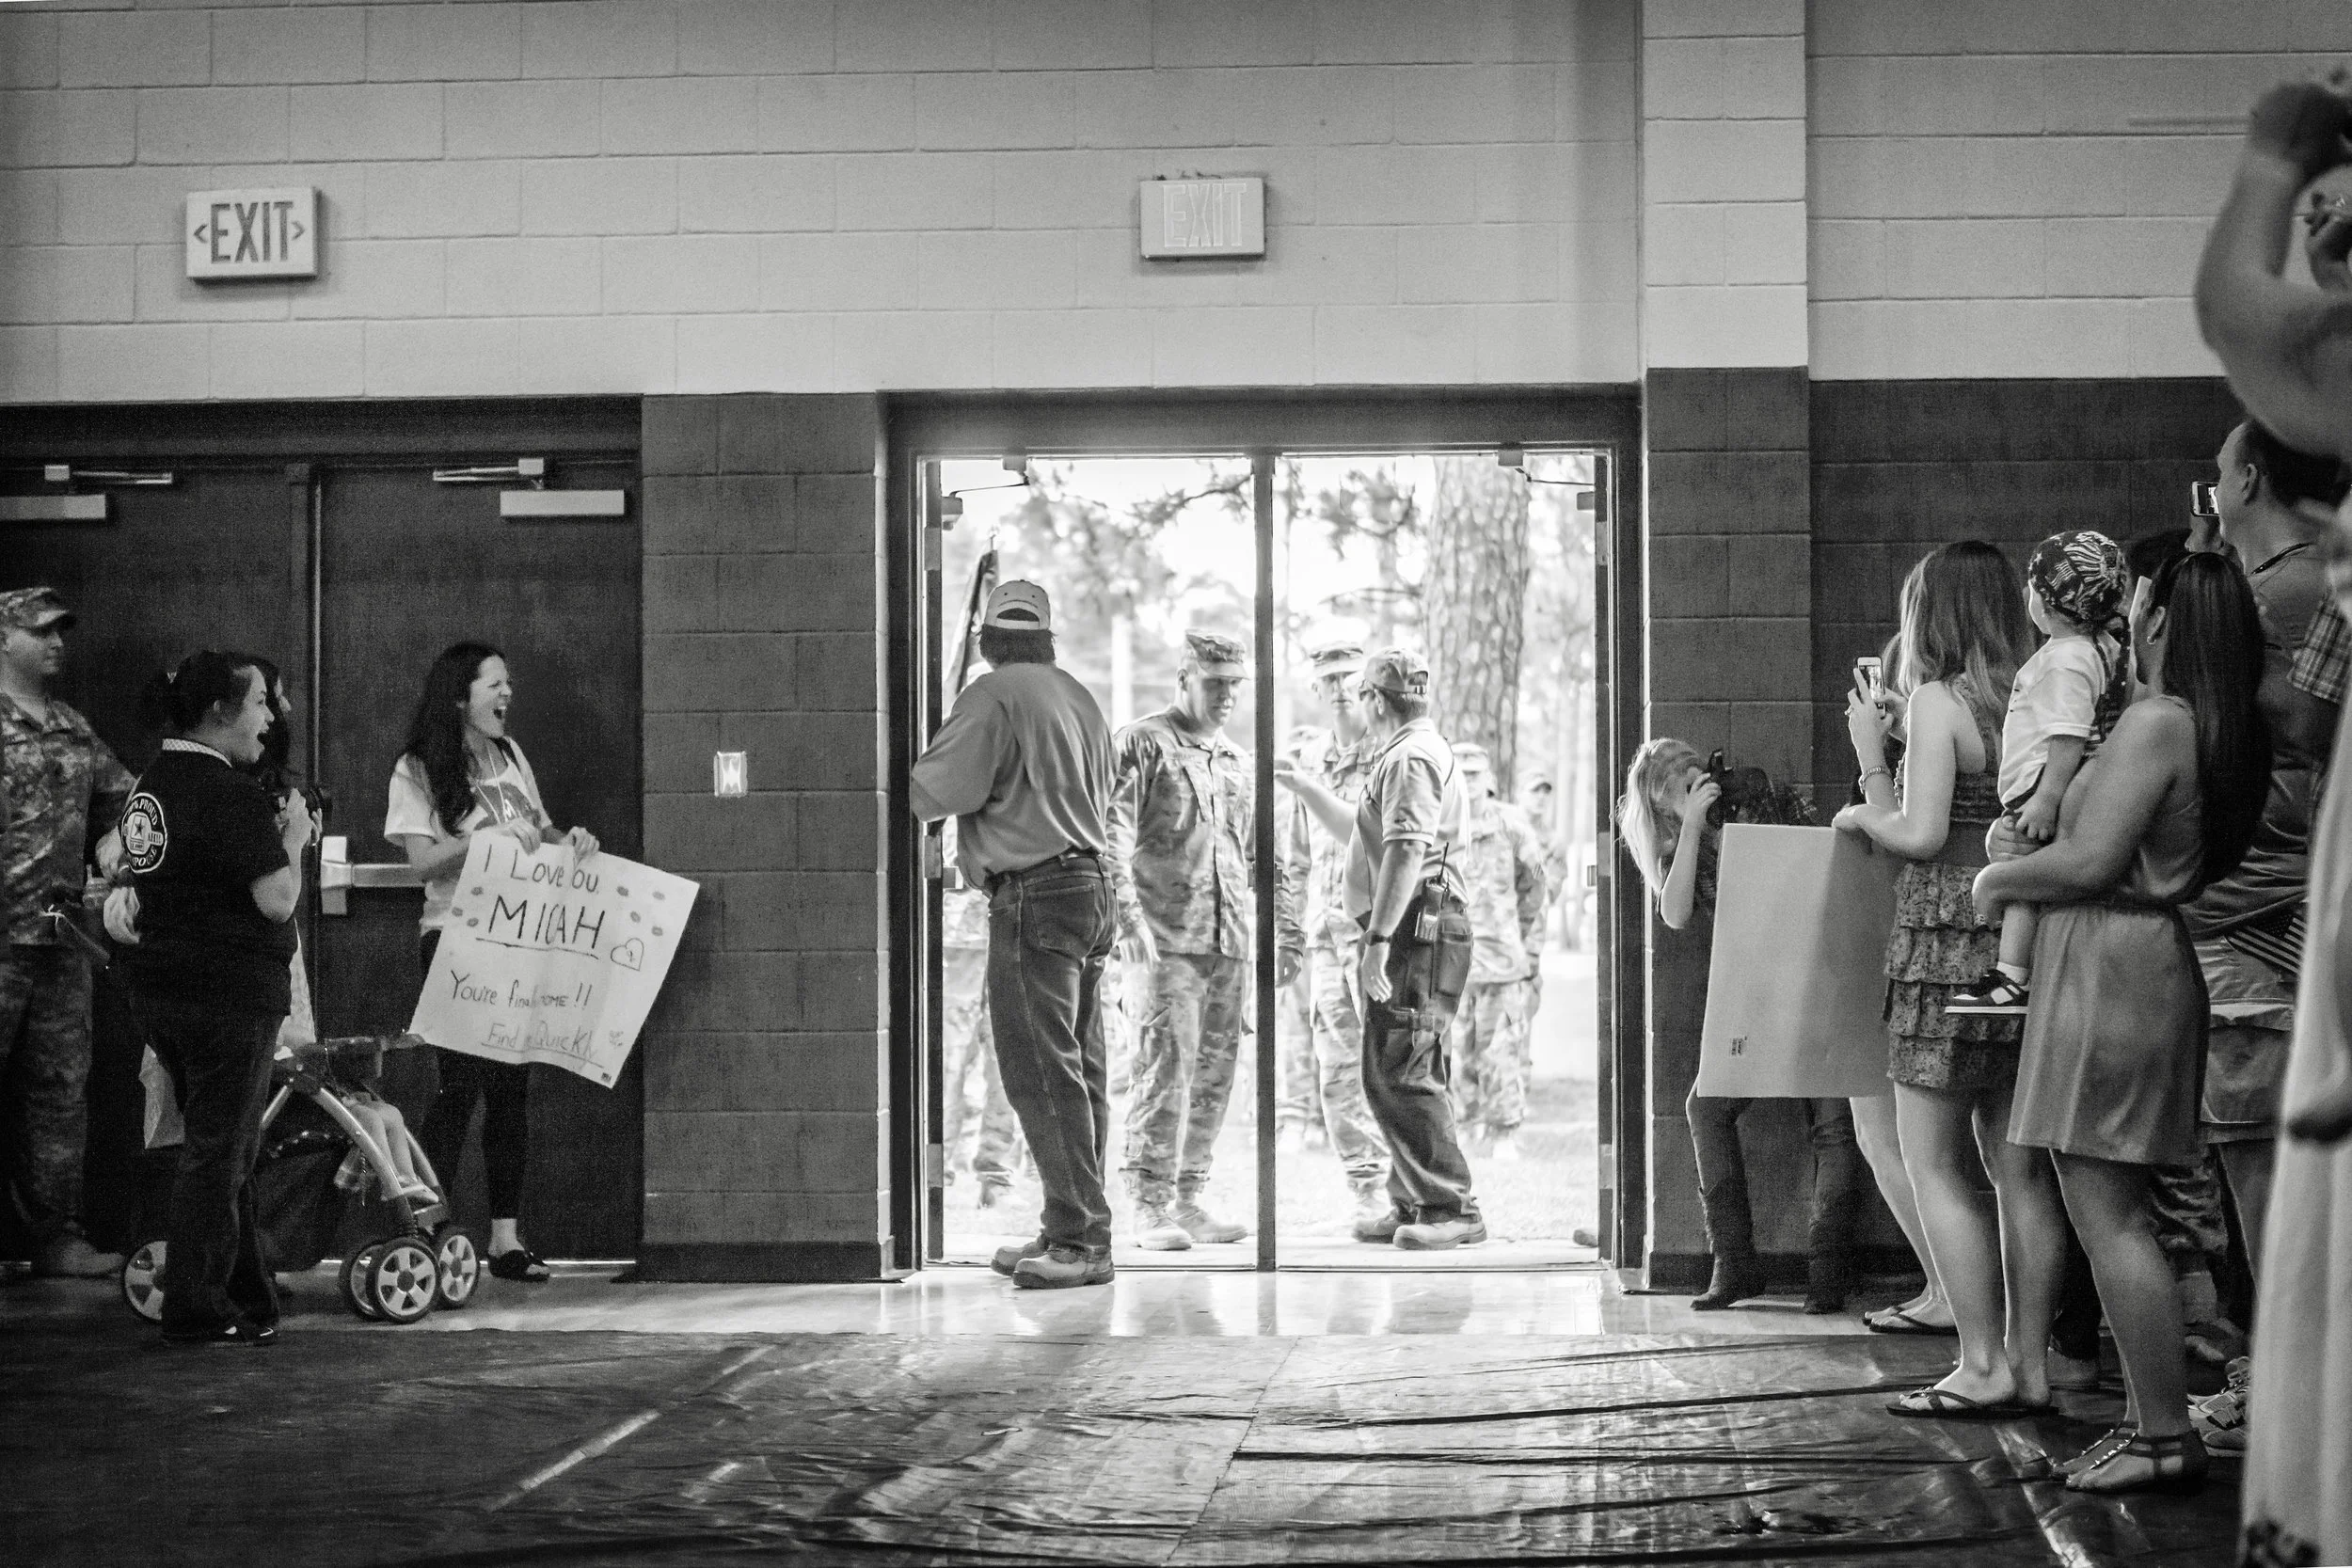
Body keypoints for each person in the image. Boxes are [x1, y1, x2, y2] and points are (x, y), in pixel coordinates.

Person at [1978, 550, 2270, 1494]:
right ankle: (2155, 1424)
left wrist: (1997, 876)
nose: (2126, 616)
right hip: (2123, 959)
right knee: (2106, 1206)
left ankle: (2158, 1430)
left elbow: (2089, 859)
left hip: (2115, 961)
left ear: (2161, 619)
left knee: (2108, 1213)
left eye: (2139, 603)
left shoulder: (2156, 720)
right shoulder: (2196, 720)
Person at [2194, 77, 2352, 1561]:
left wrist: (2278, 154)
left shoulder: (2284, 594)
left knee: (2278, 1160)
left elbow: (2243, 314)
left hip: (2273, 899)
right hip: (2284, 890)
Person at [1834, 541, 2067, 1418]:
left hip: (1945, 948)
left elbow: (1921, 831)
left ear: (1930, 611)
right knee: (2020, 1168)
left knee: (1932, 1159)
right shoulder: (2040, 690)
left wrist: (1867, 769)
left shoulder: (1938, 698)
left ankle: (1979, 1364)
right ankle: (2033, 1365)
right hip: (2020, 939)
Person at [910, 581, 1119, 1290]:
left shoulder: (991, 695)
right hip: (1091, 889)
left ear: (988, 639)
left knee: (1038, 1069)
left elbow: (935, 792)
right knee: (1080, 1067)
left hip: (1034, 893)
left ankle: (1081, 1241)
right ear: (1047, 637)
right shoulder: (1079, 696)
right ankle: (1074, 1222)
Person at [1618, 738, 1863, 1313]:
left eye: (1694, 765)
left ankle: (1829, 1273)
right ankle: (1734, 1264)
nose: (1694, 776)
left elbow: (1822, 849)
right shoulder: (1680, 845)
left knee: (1831, 1119)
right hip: (1752, 990)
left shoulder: (1758, 793)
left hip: (1821, 963)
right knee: (1707, 1106)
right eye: (1678, 779)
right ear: (1659, 805)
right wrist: (1698, 826)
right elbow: (1675, 913)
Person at [116, 650, 314, 1344]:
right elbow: (276, 898)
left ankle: (249, 1295)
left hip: (162, 990)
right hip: (226, 997)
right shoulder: (223, 789)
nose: (270, 717)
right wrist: (292, 839)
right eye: (262, 701)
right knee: (218, 1154)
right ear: (221, 712)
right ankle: (194, 1306)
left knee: (225, 1145)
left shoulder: (154, 781)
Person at [387, 641, 598, 1284]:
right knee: (459, 1086)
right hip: (455, 936)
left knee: (512, 1089)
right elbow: (422, 863)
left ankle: (505, 1237)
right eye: (495, 684)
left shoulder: (510, 756)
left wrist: (574, 841)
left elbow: (541, 831)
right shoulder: (418, 766)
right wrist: (483, 841)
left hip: (517, 939)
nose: (507, 695)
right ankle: (423, 1227)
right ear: (460, 694)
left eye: (508, 684)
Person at [1106, 629, 1301, 1250]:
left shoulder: (1239, 762)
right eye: (1216, 685)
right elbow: (1110, 836)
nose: (1227, 698)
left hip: (1229, 943)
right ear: (1184, 679)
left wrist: (1286, 935)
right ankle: (1149, 1202)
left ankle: (1188, 1195)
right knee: (1164, 1071)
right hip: (1163, 942)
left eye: (1235, 687)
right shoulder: (1142, 744)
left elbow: (1267, 857)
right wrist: (1128, 919)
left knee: (1215, 1077)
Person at [1284, 648, 1481, 1249]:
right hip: (1413, 925)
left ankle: (1451, 1208)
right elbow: (1368, 834)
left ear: (1374, 699)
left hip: (1417, 927)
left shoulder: (1411, 757)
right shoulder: (1408, 753)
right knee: (1397, 1065)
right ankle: (1415, 1200)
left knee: (1402, 1068)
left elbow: (1404, 850)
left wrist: (1375, 940)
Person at [0, 587, 135, 1279]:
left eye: (62, 631)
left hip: (61, 940)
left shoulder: (74, 728)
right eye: (41, 631)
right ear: (4, 639)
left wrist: (116, 849)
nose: (57, 642)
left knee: (59, 1093)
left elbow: (128, 802)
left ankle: (56, 1237)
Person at [1948, 531, 2131, 1018]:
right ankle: (2012, 976)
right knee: (2025, 877)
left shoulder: (2065, 659)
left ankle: (2011, 977)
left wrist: (2046, 800)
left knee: (2022, 877)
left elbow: (2068, 736)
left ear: (2049, 604)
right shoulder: (2098, 647)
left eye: (2033, 588)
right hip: (2055, 785)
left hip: (2042, 786)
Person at [1279, 641, 1392, 1229]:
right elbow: (1292, 859)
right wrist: (1290, 936)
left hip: (1383, 935)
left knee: (1394, 1060)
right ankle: (1367, 1186)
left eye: (1353, 676)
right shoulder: (1310, 758)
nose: (1343, 686)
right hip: (1327, 937)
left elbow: (1368, 832)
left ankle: (1412, 1184)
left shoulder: (1389, 752)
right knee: (1339, 1065)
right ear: (1319, 691)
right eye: (1332, 678)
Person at [1446, 742, 1548, 1163]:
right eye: (1460, 773)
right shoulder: (1441, 823)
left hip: (1501, 960)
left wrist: (1522, 940)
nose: (1468, 783)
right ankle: (1465, 1128)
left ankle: (1504, 1130)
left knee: (1501, 1048)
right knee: (1456, 1052)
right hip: (1451, 963)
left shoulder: (1511, 824)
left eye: (1475, 774)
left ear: (1488, 779)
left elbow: (1535, 886)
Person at [941, 856, 1022, 1211]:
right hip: (952, 938)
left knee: (1007, 1064)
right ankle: (933, 1175)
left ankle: (997, 1175)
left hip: (1011, 932)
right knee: (945, 1062)